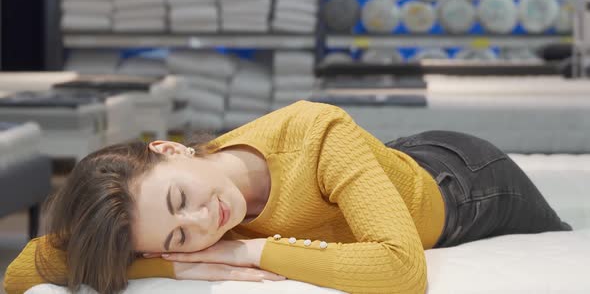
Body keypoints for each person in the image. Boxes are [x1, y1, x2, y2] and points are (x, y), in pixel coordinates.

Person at [3, 100, 572, 294]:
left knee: (568, 246)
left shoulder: (317, 132)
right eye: (179, 236)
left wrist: (244, 254)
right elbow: (25, 268)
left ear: (172, 150)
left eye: (181, 199)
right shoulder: (170, 223)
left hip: (466, 182)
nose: (203, 222)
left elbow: (403, 274)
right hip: (377, 171)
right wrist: (175, 264)